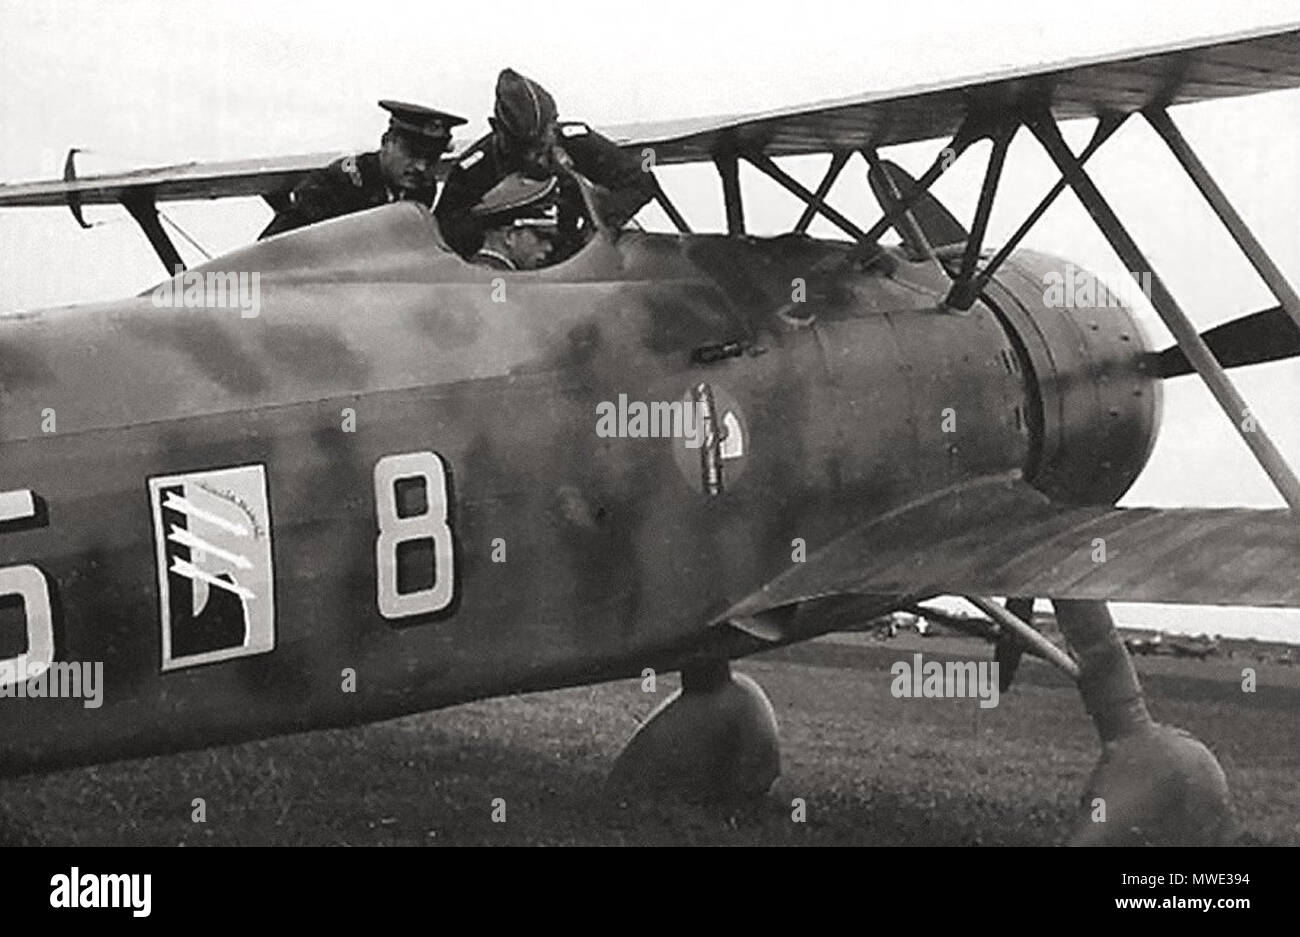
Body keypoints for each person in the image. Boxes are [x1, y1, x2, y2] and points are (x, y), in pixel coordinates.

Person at [435, 68, 655, 261]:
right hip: (511, 274)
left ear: (554, 125)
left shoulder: (576, 141)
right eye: (522, 147)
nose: (532, 156)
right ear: (496, 129)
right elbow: (445, 231)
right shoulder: (474, 168)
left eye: (540, 144)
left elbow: (640, 181)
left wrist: (599, 216)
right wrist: (496, 226)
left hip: (577, 255)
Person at [259, 100, 466, 239]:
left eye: (431, 158)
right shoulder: (339, 184)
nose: (421, 167)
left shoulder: (420, 188)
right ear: (387, 144)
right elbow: (276, 245)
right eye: (412, 155)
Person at [467, 173, 561, 271]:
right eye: (541, 237)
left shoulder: (471, 273)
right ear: (509, 236)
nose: (549, 248)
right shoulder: (496, 279)